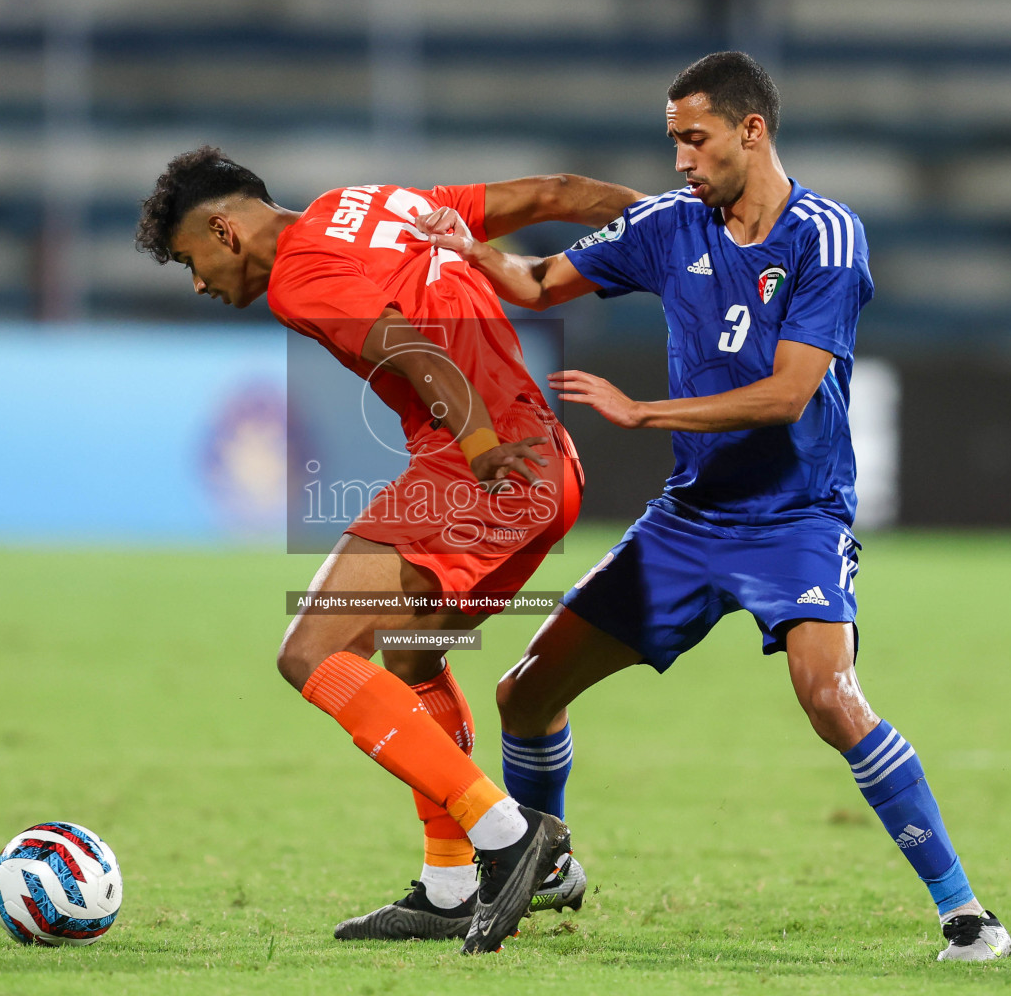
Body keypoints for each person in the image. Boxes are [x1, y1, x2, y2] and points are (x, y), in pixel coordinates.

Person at [416, 51, 1011, 962]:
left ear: (751, 130)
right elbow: (539, 284)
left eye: (694, 140)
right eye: (674, 142)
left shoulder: (826, 237)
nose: (682, 160)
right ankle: (548, 863)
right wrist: (474, 255)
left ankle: (966, 913)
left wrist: (642, 409)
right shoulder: (667, 226)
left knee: (829, 695)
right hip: (690, 522)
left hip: (797, 519)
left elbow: (787, 395)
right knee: (525, 694)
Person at [135, 148, 640, 954]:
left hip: (486, 464)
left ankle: (510, 837)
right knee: (412, 658)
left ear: (224, 229)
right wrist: (681, 228)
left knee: (311, 651)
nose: (198, 282)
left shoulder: (300, 278)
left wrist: (475, 445)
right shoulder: (367, 202)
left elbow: (413, 350)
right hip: (546, 465)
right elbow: (557, 192)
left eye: (191, 260)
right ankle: (448, 887)